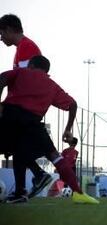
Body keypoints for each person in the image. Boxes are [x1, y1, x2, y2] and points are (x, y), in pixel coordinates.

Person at [0, 55, 98, 204]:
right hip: (34, 123)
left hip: (11, 117)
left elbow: (2, 77)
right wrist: (68, 129)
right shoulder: (51, 85)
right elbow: (73, 104)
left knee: (16, 150)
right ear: (46, 71)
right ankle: (78, 192)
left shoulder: (21, 72)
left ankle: (34, 179)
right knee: (53, 155)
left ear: (31, 65)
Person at [0, 14, 51, 198]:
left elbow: (24, 82)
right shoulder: (22, 48)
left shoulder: (27, 47)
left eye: (1, 33)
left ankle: (36, 177)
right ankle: (29, 183)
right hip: (22, 107)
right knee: (17, 147)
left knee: (13, 145)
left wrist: (5, 106)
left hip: (22, 109)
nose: (1, 37)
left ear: (9, 29)